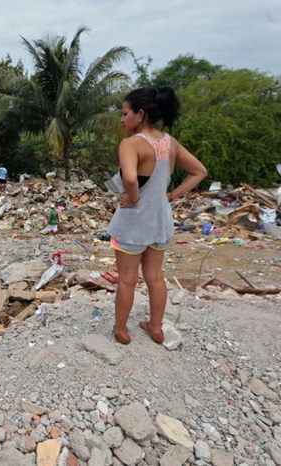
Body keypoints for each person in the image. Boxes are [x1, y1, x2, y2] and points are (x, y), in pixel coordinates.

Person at [107, 87, 207, 345]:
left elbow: (129, 177)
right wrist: (172, 195)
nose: (122, 118)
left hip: (132, 224)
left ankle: (121, 330)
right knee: (155, 277)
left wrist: (133, 197)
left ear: (140, 114)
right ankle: (155, 327)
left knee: (127, 280)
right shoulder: (169, 143)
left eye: (125, 113)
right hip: (160, 221)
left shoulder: (131, 144)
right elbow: (199, 171)